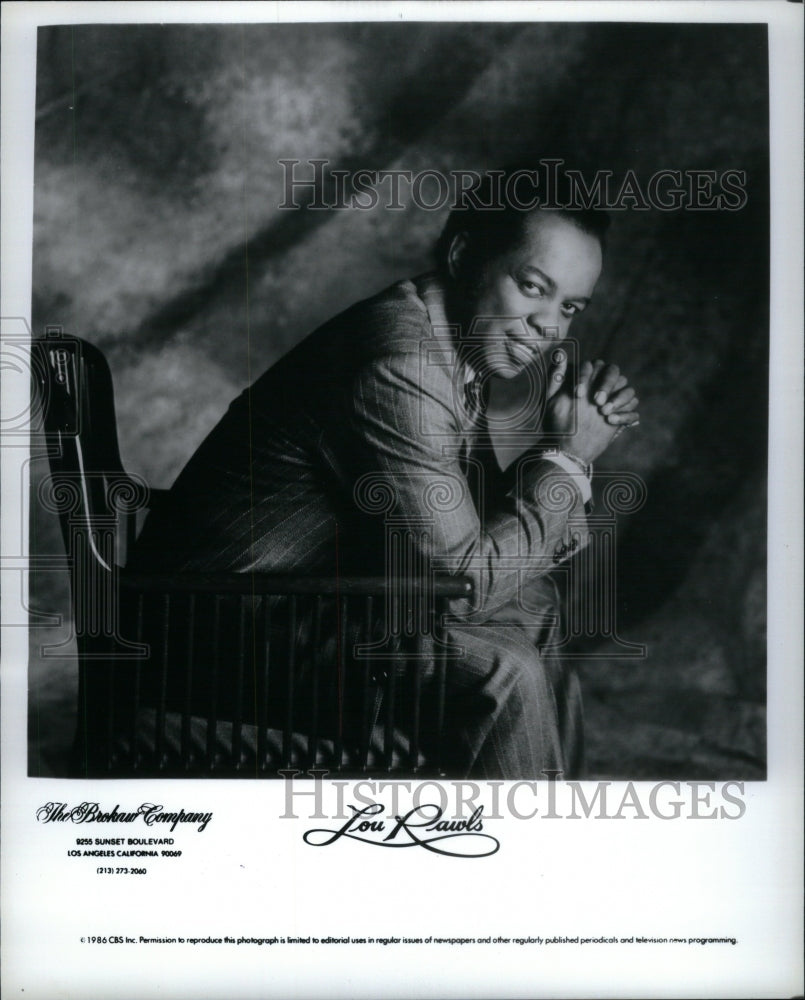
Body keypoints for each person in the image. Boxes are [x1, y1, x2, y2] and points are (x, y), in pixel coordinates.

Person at [131, 170, 640, 778]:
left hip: (297, 600)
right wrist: (568, 461)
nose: (549, 327)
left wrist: (556, 446)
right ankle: (524, 866)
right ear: (464, 254)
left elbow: (467, 540)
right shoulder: (403, 365)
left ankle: (550, 835)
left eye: (570, 307)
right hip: (209, 630)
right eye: (533, 287)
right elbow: (462, 583)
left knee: (538, 608)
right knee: (501, 667)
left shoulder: (445, 340)